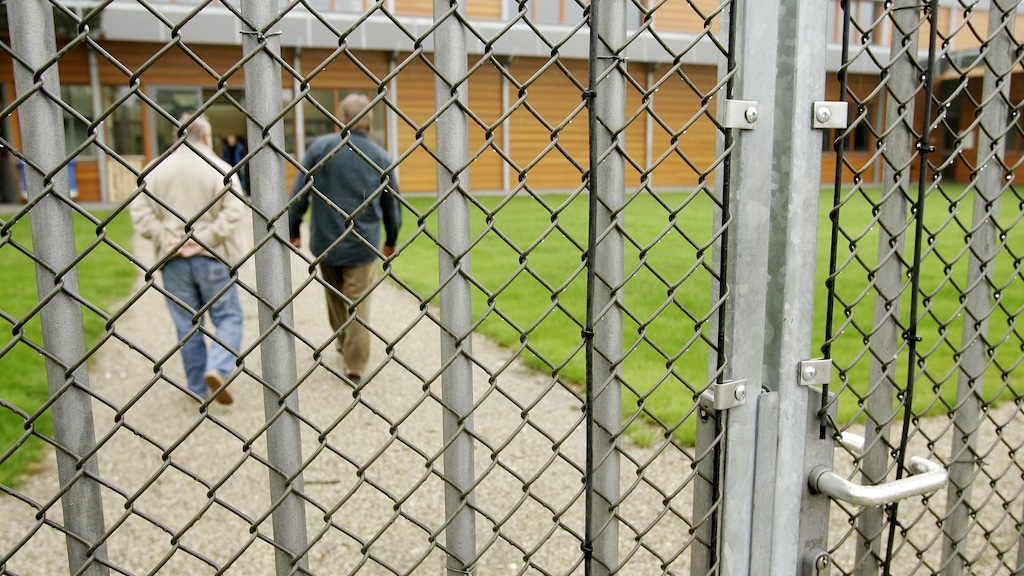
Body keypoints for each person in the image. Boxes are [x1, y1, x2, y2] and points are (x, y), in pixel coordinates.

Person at [131, 113, 246, 405]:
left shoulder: (154, 171)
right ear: (207, 138)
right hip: (214, 257)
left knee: (187, 325)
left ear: (176, 136)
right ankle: (218, 367)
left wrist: (166, 238)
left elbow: (140, 215)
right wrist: (204, 238)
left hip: (173, 259)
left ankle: (197, 386)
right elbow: (234, 212)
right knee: (228, 316)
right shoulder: (221, 169)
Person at [288, 92, 401, 385]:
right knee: (358, 304)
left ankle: (343, 343)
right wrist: (391, 238)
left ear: (342, 117)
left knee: (336, 299)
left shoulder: (320, 149)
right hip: (362, 243)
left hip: (326, 241)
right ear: (370, 120)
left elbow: (299, 192)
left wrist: (293, 227)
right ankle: (355, 365)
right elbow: (392, 204)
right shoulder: (380, 156)